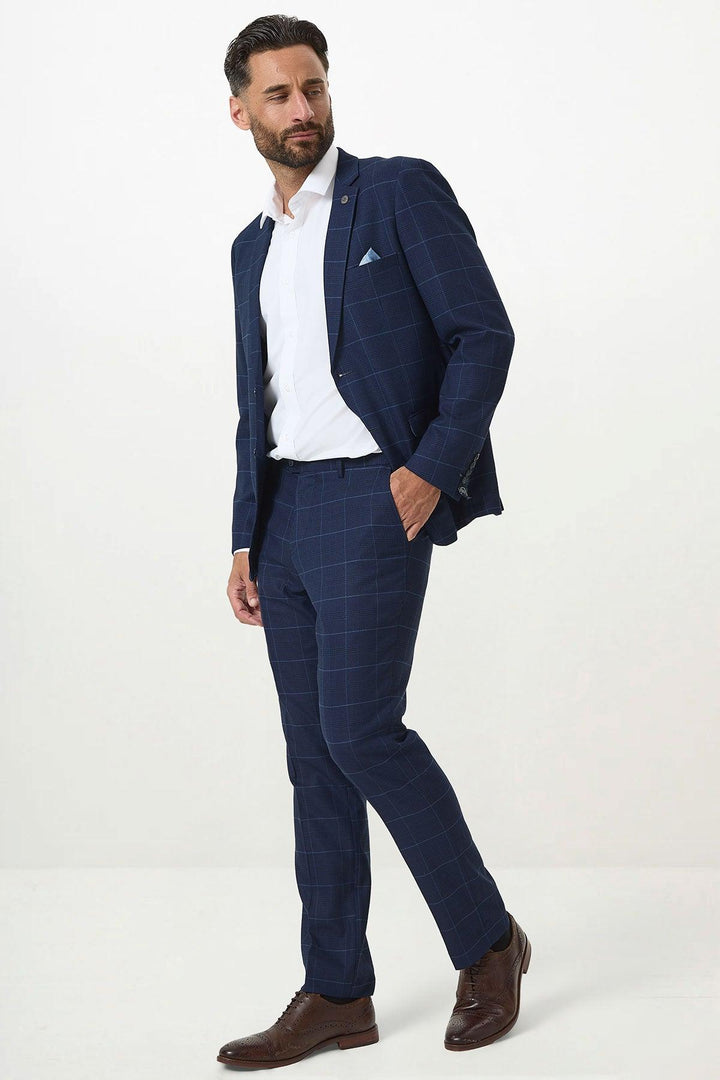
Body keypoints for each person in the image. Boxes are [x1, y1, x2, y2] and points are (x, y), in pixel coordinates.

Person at [218, 13, 531, 1070]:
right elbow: (256, 404)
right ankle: (337, 990)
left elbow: (482, 333)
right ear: (241, 112)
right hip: (287, 514)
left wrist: (431, 465)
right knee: (314, 759)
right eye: (278, 94)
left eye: (312, 86)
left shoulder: (395, 193)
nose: (302, 108)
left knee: (361, 734)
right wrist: (244, 535)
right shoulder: (252, 248)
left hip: (375, 495)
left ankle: (487, 943)